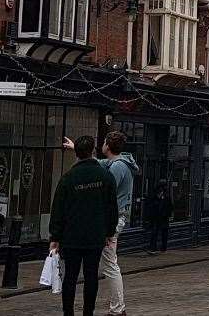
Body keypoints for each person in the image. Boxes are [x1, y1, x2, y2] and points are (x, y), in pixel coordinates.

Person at [50, 136, 118, 316]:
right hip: (95, 236)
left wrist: (55, 237)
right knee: (91, 276)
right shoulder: (105, 176)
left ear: (77, 154)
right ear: (93, 151)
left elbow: (58, 208)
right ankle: (88, 312)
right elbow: (112, 208)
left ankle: (68, 313)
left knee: (70, 277)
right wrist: (110, 232)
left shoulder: (68, 178)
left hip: (71, 236)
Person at [98, 132, 137, 316]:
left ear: (108, 145)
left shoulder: (118, 167)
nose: (102, 144)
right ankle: (117, 308)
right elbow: (98, 163)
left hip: (113, 220)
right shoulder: (117, 163)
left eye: (104, 142)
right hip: (116, 218)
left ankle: (118, 309)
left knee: (110, 264)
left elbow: (106, 193)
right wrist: (77, 149)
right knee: (109, 263)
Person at [145, 183, 171, 253]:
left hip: (164, 219)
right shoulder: (154, 199)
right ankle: (153, 248)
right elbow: (150, 208)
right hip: (156, 219)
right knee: (154, 233)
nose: (159, 194)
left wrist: (166, 215)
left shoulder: (166, 198)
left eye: (161, 192)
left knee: (164, 234)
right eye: (159, 193)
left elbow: (170, 208)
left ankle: (163, 248)